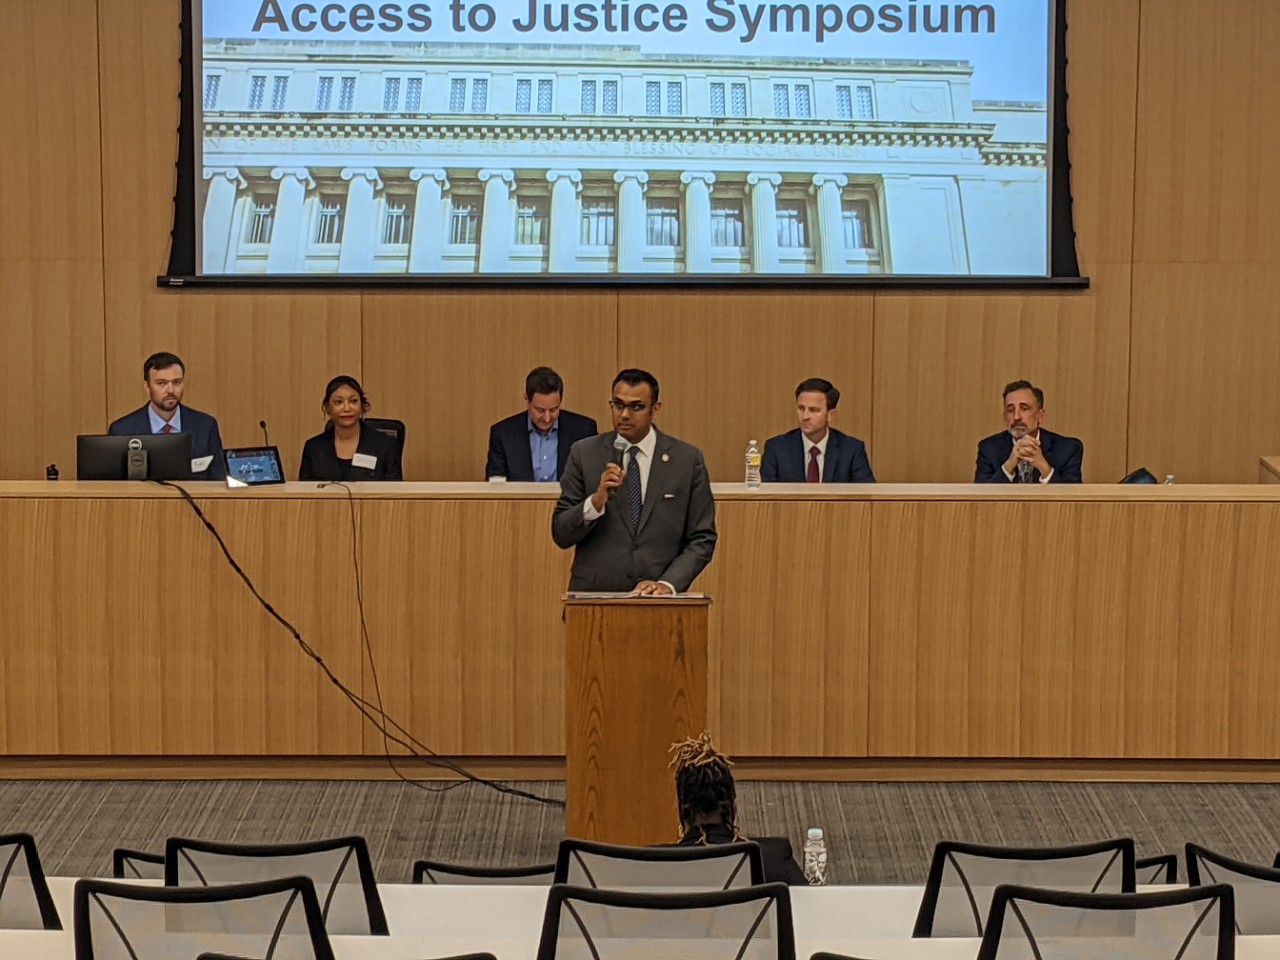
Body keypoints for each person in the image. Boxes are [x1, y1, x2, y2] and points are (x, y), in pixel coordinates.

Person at [551, 368, 716, 594]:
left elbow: (702, 537)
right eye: (618, 405)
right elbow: (561, 533)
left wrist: (668, 584)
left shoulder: (686, 460)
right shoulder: (585, 454)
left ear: (655, 409)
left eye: (636, 407)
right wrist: (596, 502)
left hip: (658, 601)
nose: (624, 415)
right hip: (595, 600)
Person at [670, 732, 806, 885]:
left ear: (681, 812)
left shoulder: (647, 864)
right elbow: (808, 904)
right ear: (734, 809)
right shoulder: (773, 858)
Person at [109, 351, 226, 480]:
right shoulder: (122, 430)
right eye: (161, 383)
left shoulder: (205, 426)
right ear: (147, 387)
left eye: (176, 382)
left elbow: (219, 481)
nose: (170, 390)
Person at [485, 366, 598, 481]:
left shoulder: (584, 431)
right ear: (526, 400)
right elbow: (495, 486)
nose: (547, 418)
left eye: (554, 409)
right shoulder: (503, 434)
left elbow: (593, 481)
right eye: (540, 410)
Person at [761, 378, 875, 483]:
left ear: (830, 415)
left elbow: (867, 497)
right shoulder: (776, 448)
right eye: (801, 408)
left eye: (813, 410)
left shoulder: (851, 450)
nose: (805, 416)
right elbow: (765, 499)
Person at [975, 380, 1084, 483]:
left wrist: (1044, 468)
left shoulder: (1068, 449)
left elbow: (1073, 499)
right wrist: (1008, 466)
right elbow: (979, 497)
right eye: (1010, 410)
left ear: (1040, 416)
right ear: (1004, 417)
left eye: (1024, 408)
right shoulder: (989, 449)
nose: (1016, 417)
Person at [299, 376, 403, 481]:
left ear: (362, 406)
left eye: (353, 401)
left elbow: (394, 494)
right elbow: (304, 494)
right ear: (327, 408)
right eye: (338, 402)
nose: (347, 408)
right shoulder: (314, 448)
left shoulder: (387, 446)